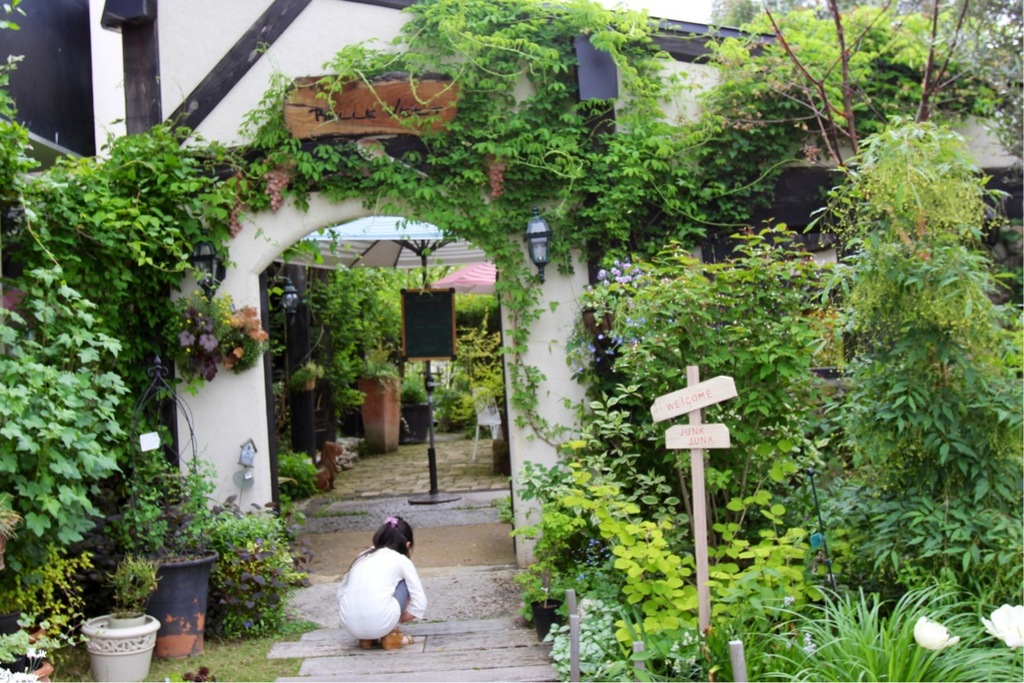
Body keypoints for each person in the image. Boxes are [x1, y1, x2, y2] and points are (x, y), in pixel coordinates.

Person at [337, 515, 427, 650]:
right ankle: (391, 634)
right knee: (404, 582)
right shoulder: (401, 560)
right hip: (382, 622)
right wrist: (397, 619)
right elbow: (420, 603)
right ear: (407, 545)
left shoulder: (362, 556)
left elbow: (340, 593)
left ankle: (366, 640)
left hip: (351, 626)